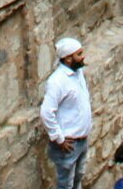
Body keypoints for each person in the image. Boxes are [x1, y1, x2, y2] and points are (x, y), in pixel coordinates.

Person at [41, 36, 93, 189]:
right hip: (69, 143)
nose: (83, 57)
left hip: (81, 139)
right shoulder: (57, 81)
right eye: (79, 54)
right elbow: (46, 112)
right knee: (66, 183)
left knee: (78, 177)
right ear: (68, 59)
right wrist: (59, 138)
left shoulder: (78, 73)